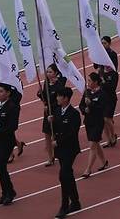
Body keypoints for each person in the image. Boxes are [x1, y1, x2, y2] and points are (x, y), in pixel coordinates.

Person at [50, 87, 82, 218]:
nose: (57, 98)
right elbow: (56, 128)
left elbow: (72, 133)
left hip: (70, 149)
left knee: (63, 175)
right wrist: (52, 122)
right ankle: (75, 201)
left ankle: (64, 205)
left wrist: (58, 141)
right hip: (60, 150)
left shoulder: (74, 114)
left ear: (66, 98)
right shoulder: (57, 111)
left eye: (59, 96)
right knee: (68, 174)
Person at [79, 73, 109, 178]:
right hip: (89, 122)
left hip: (98, 122)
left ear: (96, 82)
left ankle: (88, 169)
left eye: (90, 81)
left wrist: (91, 104)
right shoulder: (87, 92)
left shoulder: (102, 94)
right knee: (95, 142)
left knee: (92, 145)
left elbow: (102, 108)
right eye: (88, 80)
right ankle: (104, 161)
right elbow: (81, 105)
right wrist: (84, 110)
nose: (88, 83)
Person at [37, 64, 66, 166]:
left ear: (56, 73)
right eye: (47, 72)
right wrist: (40, 94)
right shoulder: (46, 82)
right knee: (47, 134)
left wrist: (50, 107)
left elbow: (60, 100)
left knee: (57, 134)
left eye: (50, 72)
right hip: (47, 113)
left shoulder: (59, 84)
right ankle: (50, 157)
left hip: (56, 113)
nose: (48, 74)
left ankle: (61, 153)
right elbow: (45, 97)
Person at [97, 36, 119, 148]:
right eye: (102, 43)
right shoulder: (101, 70)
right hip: (102, 97)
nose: (103, 45)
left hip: (110, 97)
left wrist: (103, 80)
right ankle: (109, 138)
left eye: (105, 43)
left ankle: (113, 135)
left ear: (109, 44)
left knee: (107, 118)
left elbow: (111, 87)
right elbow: (96, 65)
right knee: (103, 119)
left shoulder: (113, 73)